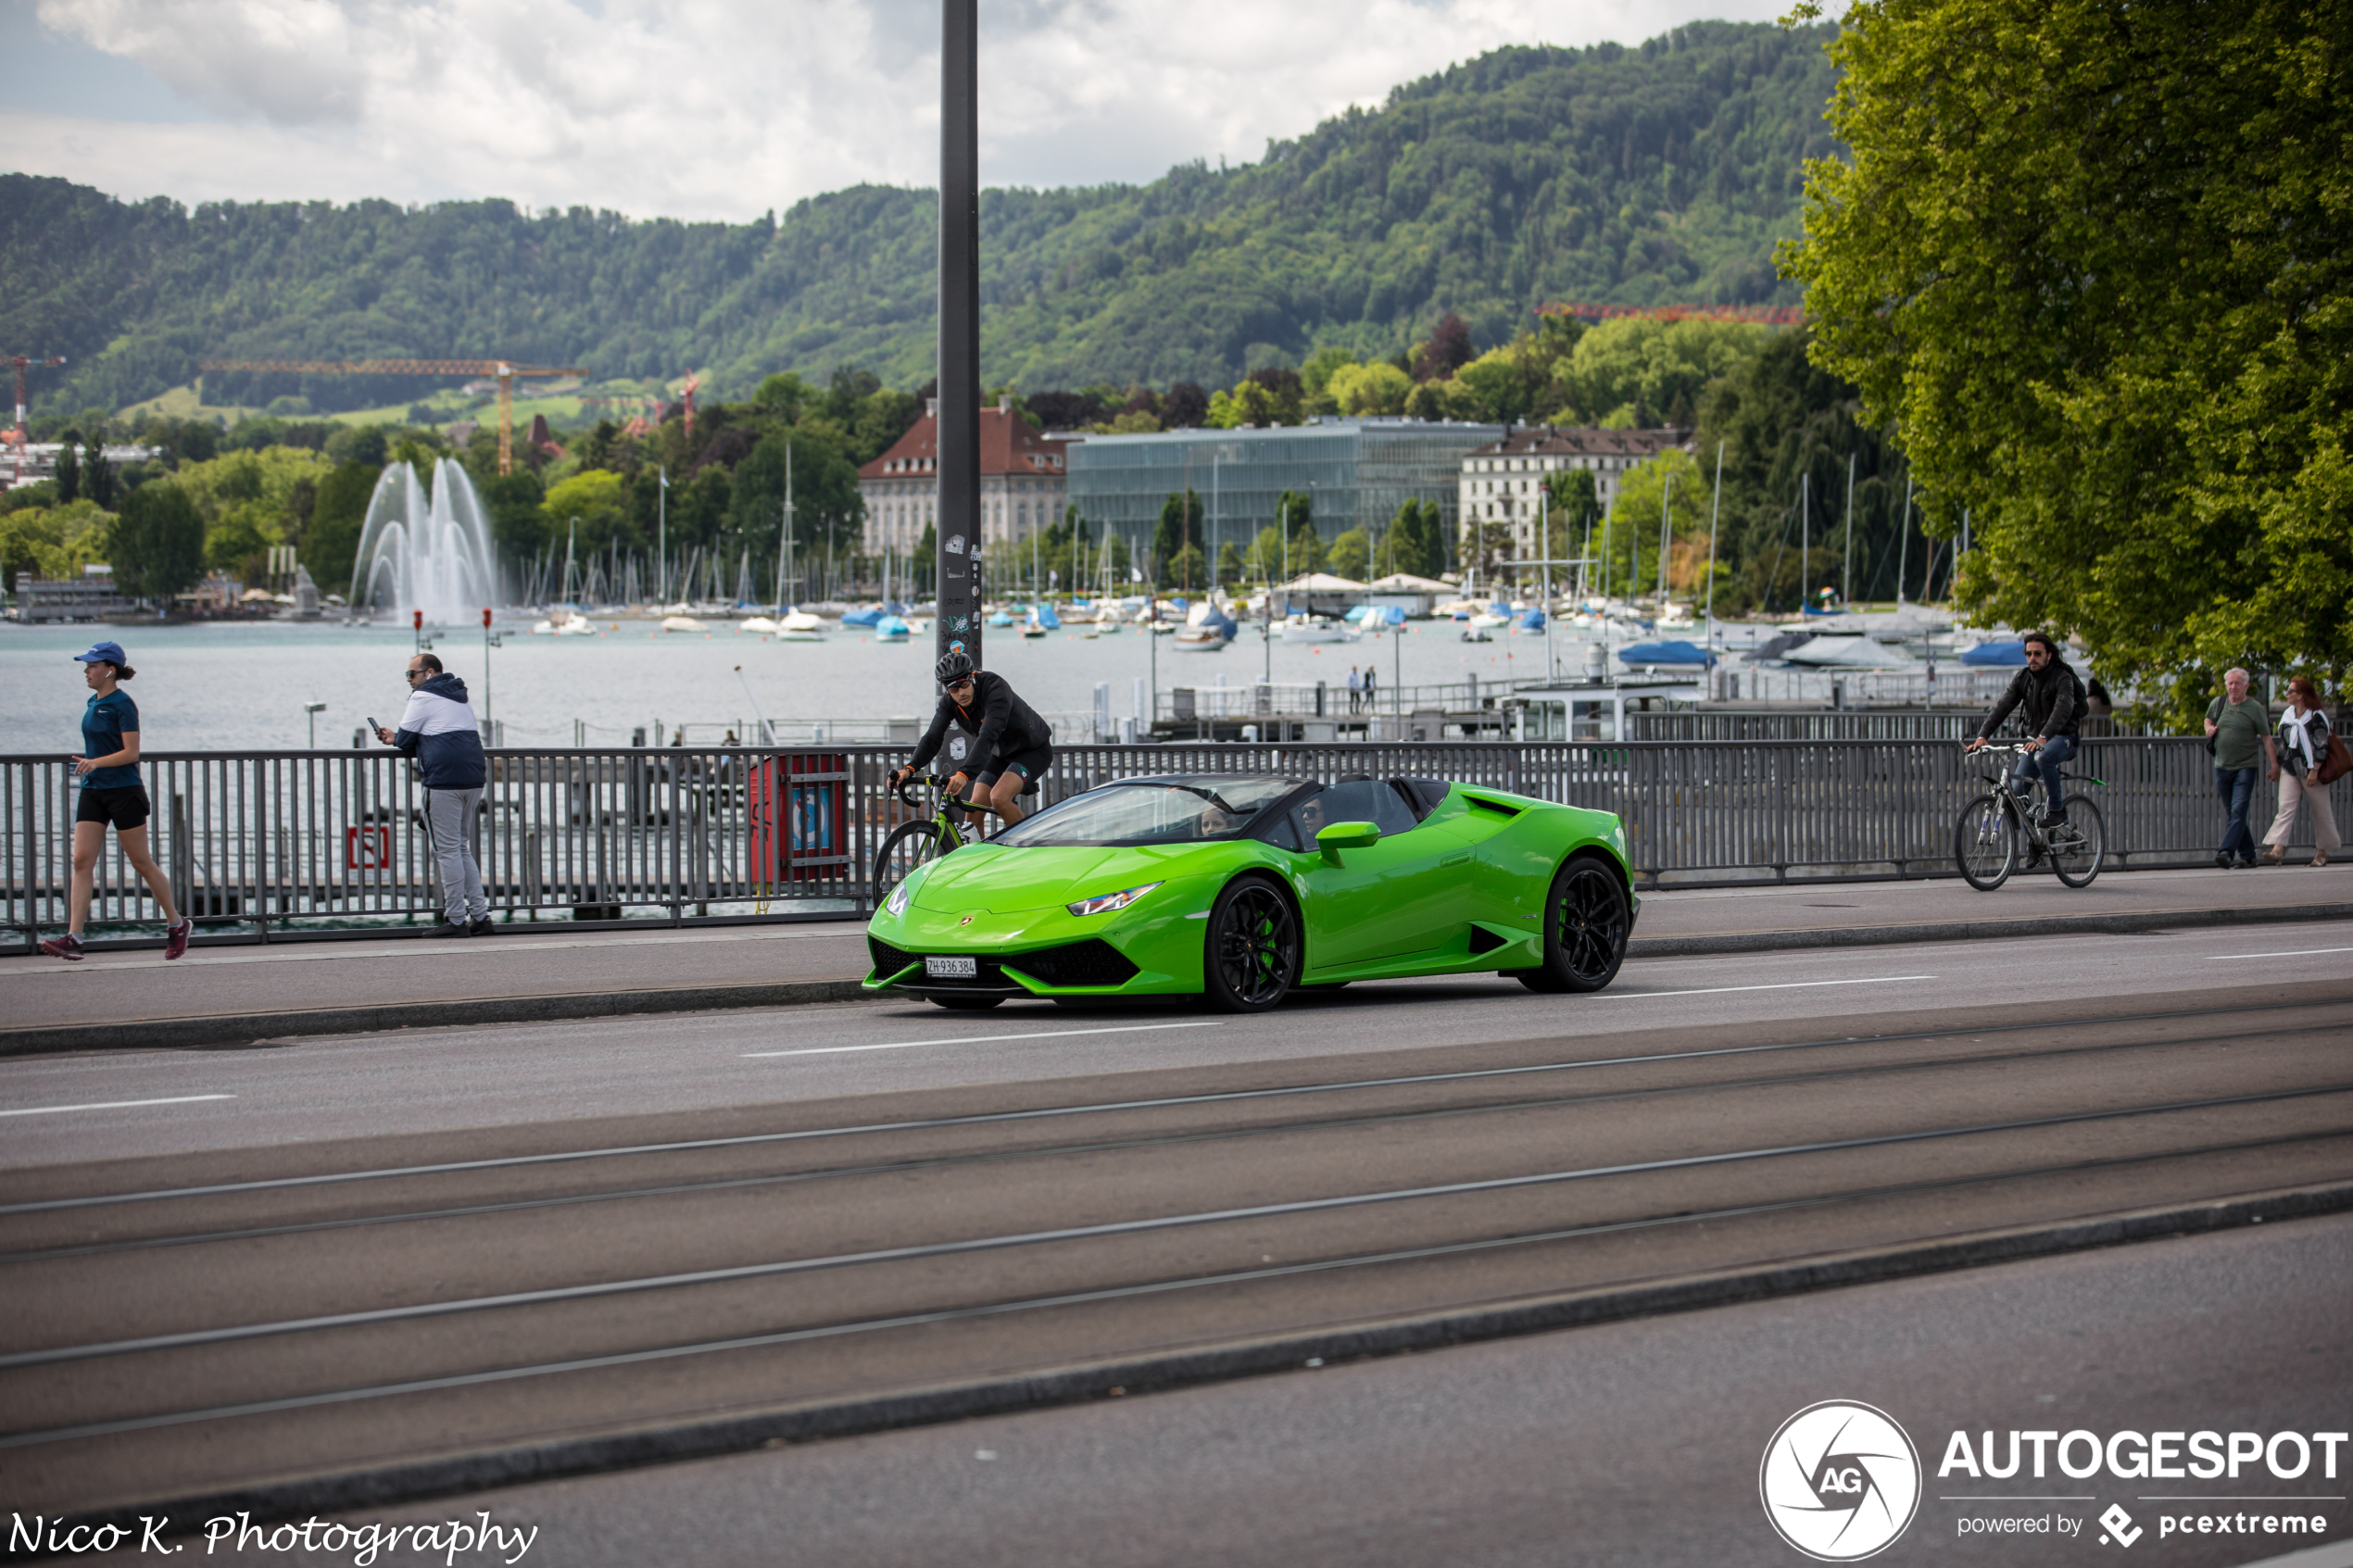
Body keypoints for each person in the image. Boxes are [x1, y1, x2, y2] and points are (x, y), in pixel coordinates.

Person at [40, 642, 192, 961]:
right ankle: (75, 937)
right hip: (93, 790)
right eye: (86, 665)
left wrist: (96, 762)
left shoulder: (123, 704)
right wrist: (92, 767)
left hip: (124, 790)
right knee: (81, 860)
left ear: (110, 670)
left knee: (140, 861)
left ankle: (177, 924)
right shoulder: (93, 702)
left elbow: (131, 753)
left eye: (92, 665)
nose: (86, 670)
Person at [375, 653, 492, 936]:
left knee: (448, 851)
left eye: (410, 675)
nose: (409, 681)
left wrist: (396, 737)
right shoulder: (460, 696)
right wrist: (401, 738)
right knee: (461, 847)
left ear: (428, 673)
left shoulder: (422, 697)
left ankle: (455, 920)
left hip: (443, 781)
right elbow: (441, 735)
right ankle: (480, 916)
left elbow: (405, 741)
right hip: (474, 777)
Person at [890, 649, 1053, 833]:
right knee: (973, 811)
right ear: (946, 689)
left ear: (973, 676)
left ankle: (1025, 853)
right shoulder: (949, 702)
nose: (961, 693)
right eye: (953, 689)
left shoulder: (995, 687)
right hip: (1001, 753)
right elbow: (933, 736)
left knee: (999, 797)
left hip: (1033, 750)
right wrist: (910, 769)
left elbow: (988, 735)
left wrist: (964, 774)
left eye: (964, 684)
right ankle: (979, 860)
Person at [1964, 631, 2084, 836]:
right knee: (2017, 790)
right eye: (2028, 654)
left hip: (2064, 737)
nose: (2032, 658)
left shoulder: (2062, 678)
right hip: (2034, 741)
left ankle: (2057, 811)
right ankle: (2035, 842)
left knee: (2044, 756)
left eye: (2037, 654)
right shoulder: (2024, 678)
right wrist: (1983, 736)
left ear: (2049, 655)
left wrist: (2043, 736)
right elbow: (2004, 706)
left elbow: (2062, 709)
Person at [2259, 676, 2337, 868]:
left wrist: (2315, 770)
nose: (2287, 694)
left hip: (2312, 770)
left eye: (2290, 691)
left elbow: (2322, 745)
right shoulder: (2287, 715)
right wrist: (2276, 766)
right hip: (2290, 768)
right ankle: (2278, 850)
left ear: (2300, 695)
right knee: (2285, 808)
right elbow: (2285, 745)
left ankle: (2322, 852)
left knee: (2321, 811)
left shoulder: (2316, 716)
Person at [2205, 666, 2268, 869]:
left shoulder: (2255, 708)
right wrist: (2209, 729)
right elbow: (2207, 719)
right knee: (2234, 814)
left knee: (2238, 811)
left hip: (2245, 767)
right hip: (2222, 766)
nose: (2233, 687)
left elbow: (2266, 737)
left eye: (2237, 683)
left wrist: (2275, 765)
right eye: (2230, 683)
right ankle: (2249, 856)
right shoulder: (2219, 703)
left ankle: (2226, 851)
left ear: (2246, 686)